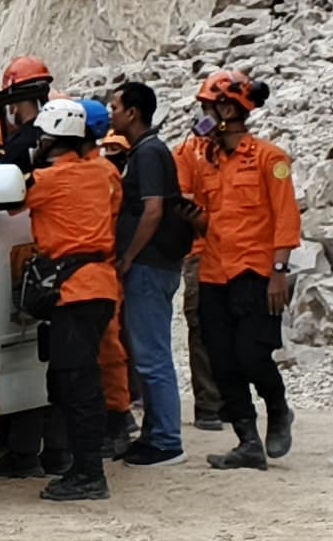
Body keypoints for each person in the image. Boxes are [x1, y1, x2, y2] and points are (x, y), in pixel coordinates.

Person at [182, 74, 301, 469]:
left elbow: (286, 218)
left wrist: (279, 271)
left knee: (253, 356)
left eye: (207, 108)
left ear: (228, 110)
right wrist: (194, 219)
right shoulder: (205, 162)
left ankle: (278, 409)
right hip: (215, 274)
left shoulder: (271, 159)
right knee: (222, 360)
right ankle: (247, 439)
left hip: (257, 273)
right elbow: (203, 216)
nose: (202, 117)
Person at [20, 96, 121, 501]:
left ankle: (88, 474)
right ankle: (80, 465)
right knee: (79, 380)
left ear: (49, 138)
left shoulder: (47, 182)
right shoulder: (102, 173)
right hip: (99, 287)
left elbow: (8, 203)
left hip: (73, 292)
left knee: (77, 385)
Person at [106, 79, 191, 466]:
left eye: (116, 107)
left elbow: (153, 209)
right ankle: (155, 433)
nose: (112, 114)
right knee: (146, 351)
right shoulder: (145, 151)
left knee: (152, 354)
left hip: (149, 265)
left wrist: (129, 257)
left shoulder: (149, 153)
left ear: (133, 112)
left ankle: (167, 440)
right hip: (149, 264)